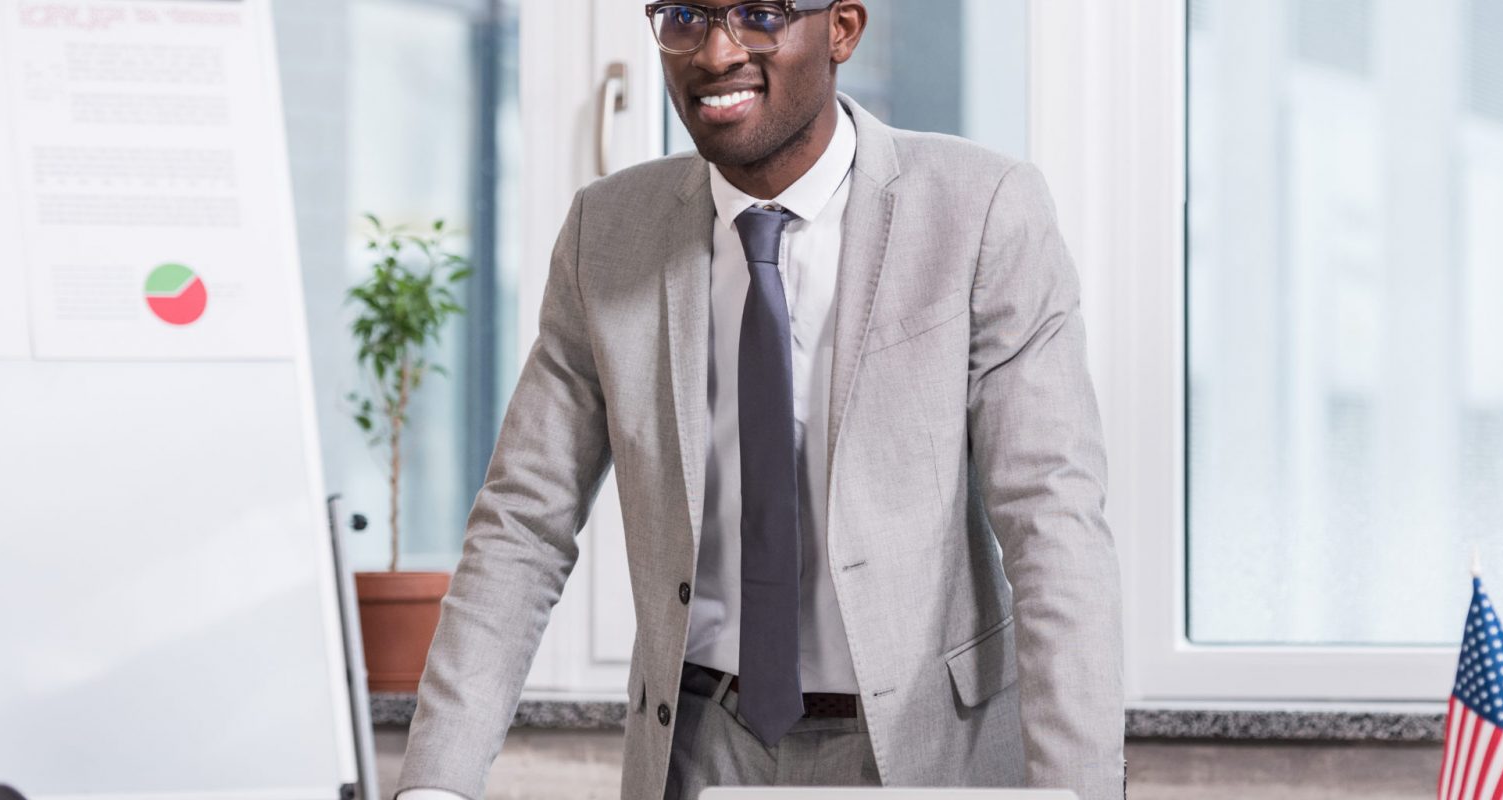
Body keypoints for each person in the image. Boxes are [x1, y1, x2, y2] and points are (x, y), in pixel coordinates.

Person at [394, 2, 1122, 799]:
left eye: (760, 14)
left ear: (842, 28)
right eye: (684, 15)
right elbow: (521, 527)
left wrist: (1081, 788)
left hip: (919, 751)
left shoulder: (982, 210)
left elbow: (1053, 524)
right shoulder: (606, 232)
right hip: (697, 745)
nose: (714, 51)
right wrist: (435, 785)